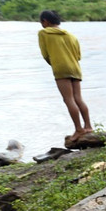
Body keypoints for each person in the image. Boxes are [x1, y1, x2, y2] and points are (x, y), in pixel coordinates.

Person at [37, 10, 92, 142]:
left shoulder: (43, 33)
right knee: (78, 97)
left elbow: (45, 54)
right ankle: (88, 126)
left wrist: (55, 63)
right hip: (75, 67)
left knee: (68, 99)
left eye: (41, 22)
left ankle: (79, 129)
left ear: (46, 21)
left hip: (61, 68)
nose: (41, 25)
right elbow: (78, 55)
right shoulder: (71, 36)